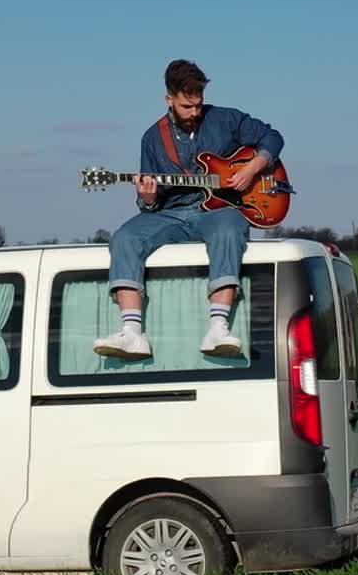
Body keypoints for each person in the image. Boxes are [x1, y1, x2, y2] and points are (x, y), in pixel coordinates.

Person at [94, 59, 284, 361]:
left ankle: (219, 327)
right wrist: (147, 198)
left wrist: (252, 169)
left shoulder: (226, 119)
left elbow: (273, 137)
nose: (195, 112)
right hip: (172, 214)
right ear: (169, 99)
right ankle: (132, 333)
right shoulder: (152, 138)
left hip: (219, 211)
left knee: (228, 230)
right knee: (124, 238)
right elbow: (149, 205)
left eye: (198, 105)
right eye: (186, 106)